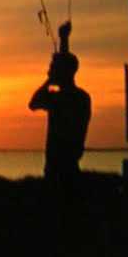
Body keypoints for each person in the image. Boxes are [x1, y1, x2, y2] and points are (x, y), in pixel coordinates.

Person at [29, 21, 91, 184]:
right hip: (64, 167)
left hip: (59, 168)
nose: (48, 70)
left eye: (52, 68)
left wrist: (49, 80)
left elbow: (33, 103)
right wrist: (63, 39)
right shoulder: (80, 97)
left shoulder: (60, 99)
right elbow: (65, 66)